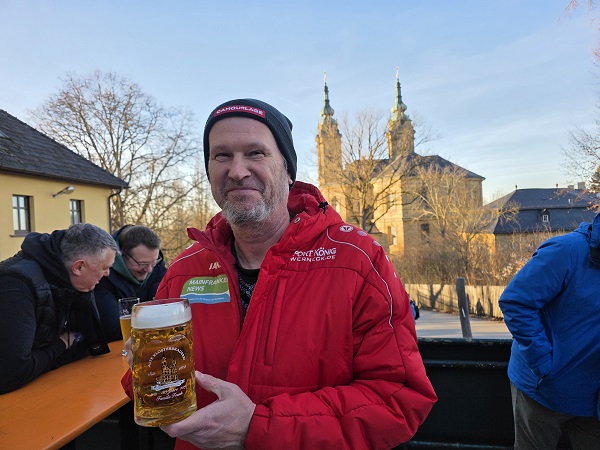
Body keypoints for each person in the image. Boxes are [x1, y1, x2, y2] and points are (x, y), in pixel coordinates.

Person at [121, 98, 437, 449]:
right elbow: (153, 390)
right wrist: (144, 377)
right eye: (221, 155)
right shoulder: (183, 271)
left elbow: (397, 399)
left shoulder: (358, 261)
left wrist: (258, 428)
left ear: (288, 171)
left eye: (255, 153)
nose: (237, 170)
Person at [499, 213, 600, 449]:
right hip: (542, 392)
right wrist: (544, 364)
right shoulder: (567, 251)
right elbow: (516, 302)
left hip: (592, 402)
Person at [0, 223, 117, 394]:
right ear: (78, 267)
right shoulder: (16, 287)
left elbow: (88, 344)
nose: (107, 274)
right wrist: (60, 345)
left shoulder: (78, 283)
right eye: (104, 268)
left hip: (56, 385)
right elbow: (11, 373)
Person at [95, 224, 166, 342]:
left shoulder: (159, 271)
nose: (149, 270)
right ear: (122, 255)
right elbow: (113, 330)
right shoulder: (101, 278)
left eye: (153, 263)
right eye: (142, 264)